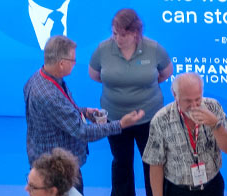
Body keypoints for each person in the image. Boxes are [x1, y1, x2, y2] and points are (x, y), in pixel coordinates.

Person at [88, 8, 172, 196]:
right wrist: (120, 89)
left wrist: (141, 91)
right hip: (115, 118)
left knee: (153, 160)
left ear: (136, 33)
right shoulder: (103, 50)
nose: (117, 39)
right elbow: (95, 74)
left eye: (122, 34)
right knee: (121, 160)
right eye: (114, 33)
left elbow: (166, 72)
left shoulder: (154, 49)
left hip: (150, 117)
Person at [24, 36, 141, 184]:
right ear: (61, 63)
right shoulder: (48, 95)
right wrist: (121, 125)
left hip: (50, 161)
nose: (75, 63)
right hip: (58, 171)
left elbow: (57, 112)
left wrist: (84, 112)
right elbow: (83, 132)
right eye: (72, 60)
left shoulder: (38, 78)